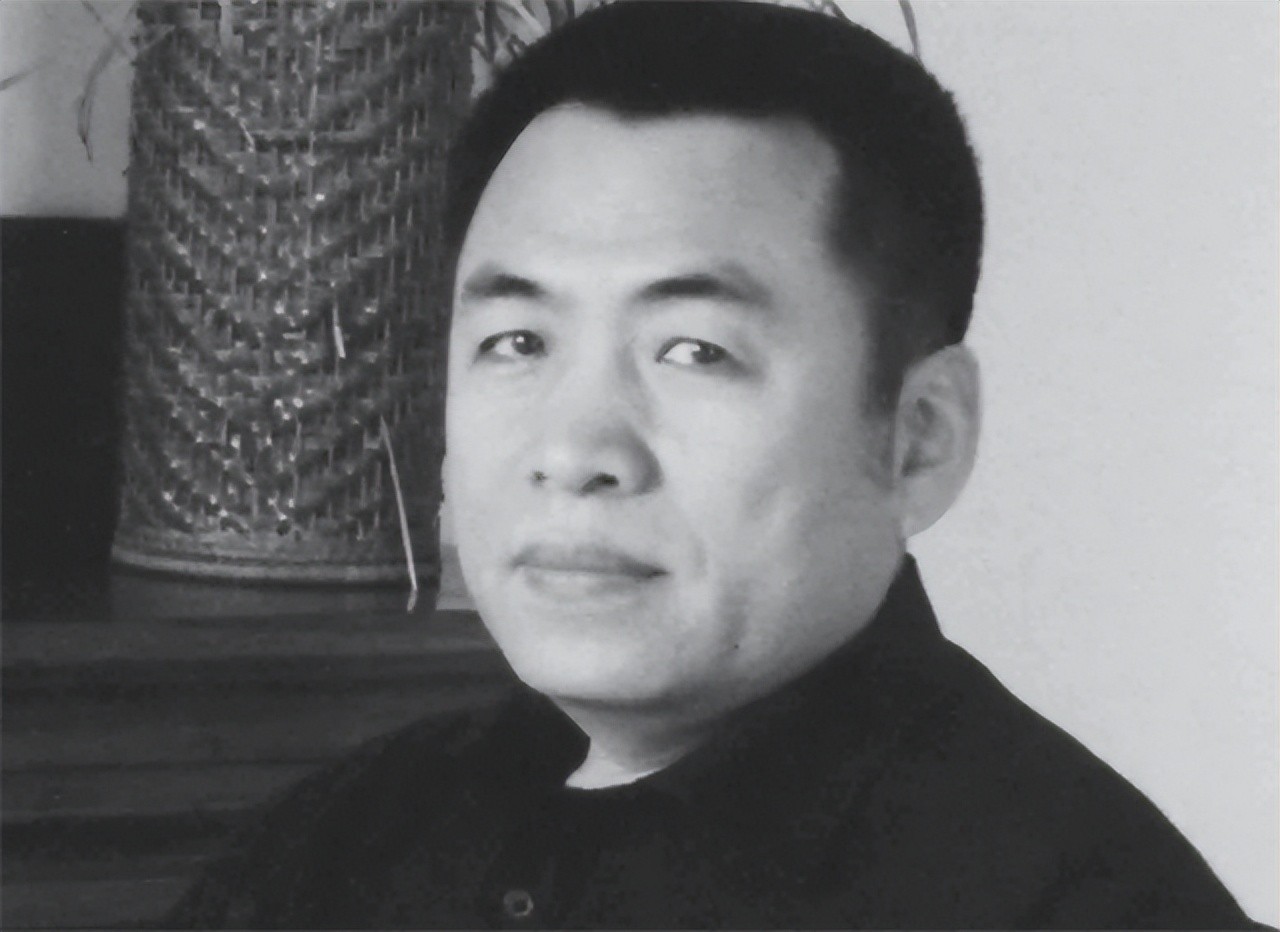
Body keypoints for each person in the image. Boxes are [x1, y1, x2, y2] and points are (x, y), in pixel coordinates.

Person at [165, 2, 1264, 928]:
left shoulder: (1079, 899)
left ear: (920, 438)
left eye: (694, 351)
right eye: (518, 341)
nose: (574, 451)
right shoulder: (339, 841)